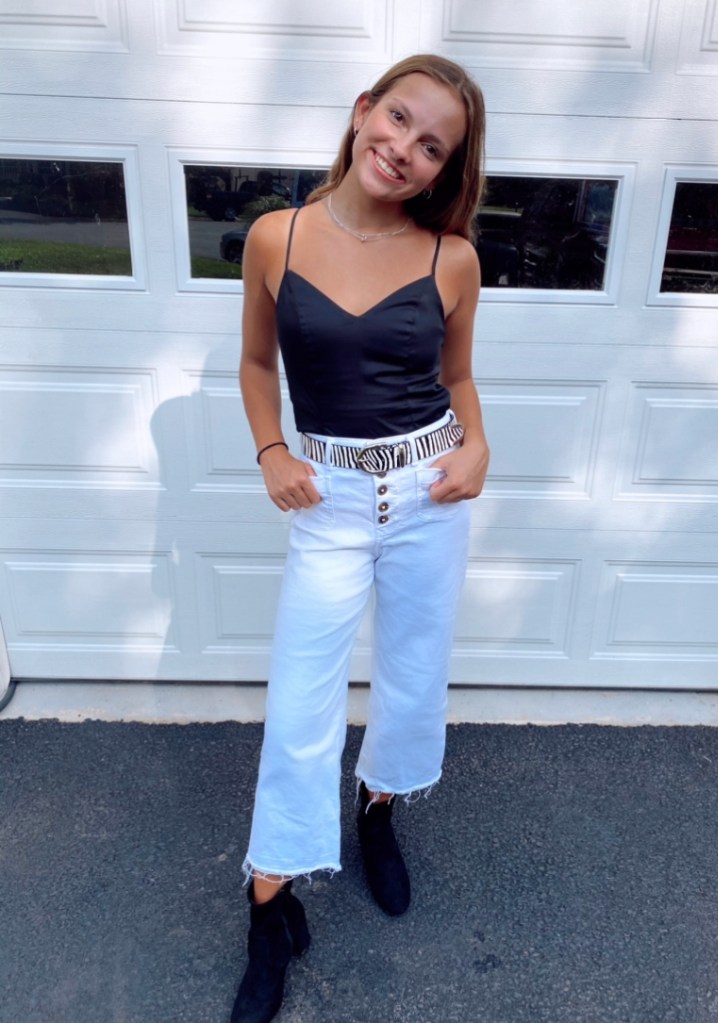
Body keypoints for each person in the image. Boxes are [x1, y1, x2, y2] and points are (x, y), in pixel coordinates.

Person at [232, 53, 489, 1023]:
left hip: (429, 489)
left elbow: (456, 378)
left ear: (444, 171)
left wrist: (479, 445)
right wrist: (270, 450)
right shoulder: (277, 237)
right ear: (362, 110)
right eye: (399, 119)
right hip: (330, 501)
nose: (405, 149)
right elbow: (257, 363)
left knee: (414, 671)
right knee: (300, 702)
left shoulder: (449, 258)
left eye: (434, 147)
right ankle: (269, 904)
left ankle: (378, 808)